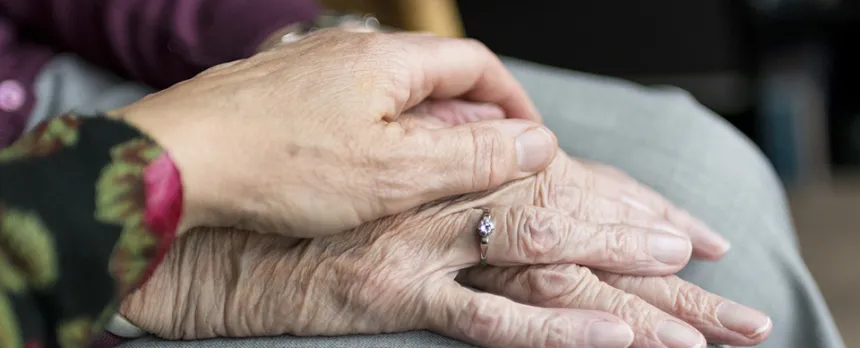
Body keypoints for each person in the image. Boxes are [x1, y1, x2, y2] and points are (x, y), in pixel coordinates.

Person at [0, 2, 844, 348]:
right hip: (36, 250)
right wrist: (181, 264)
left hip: (66, 75)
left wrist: (301, 57)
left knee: (700, 176)